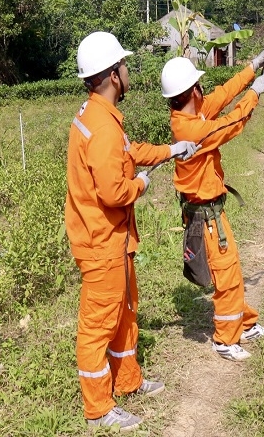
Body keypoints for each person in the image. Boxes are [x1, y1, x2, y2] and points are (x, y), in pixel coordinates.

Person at [66, 31, 199, 432]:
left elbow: (131, 152)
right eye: (123, 66)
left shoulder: (100, 118)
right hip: (101, 243)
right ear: (112, 75)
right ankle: (98, 410)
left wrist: (172, 150)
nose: (128, 71)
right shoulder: (102, 128)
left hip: (114, 242)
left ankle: (127, 381)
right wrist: (141, 185)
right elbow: (113, 192)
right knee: (97, 327)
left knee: (124, 314)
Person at [160, 49, 264, 361]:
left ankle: (244, 323)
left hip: (213, 210)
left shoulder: (193, 113)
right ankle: (225, 339)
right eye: (198, 85)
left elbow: (223, 94)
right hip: (205, 216)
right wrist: (255, 93)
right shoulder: (190, 129)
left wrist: (251, 69)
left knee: (232, 269)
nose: (204, 90)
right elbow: (231, 123)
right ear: (191, 91)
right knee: (225, 274)